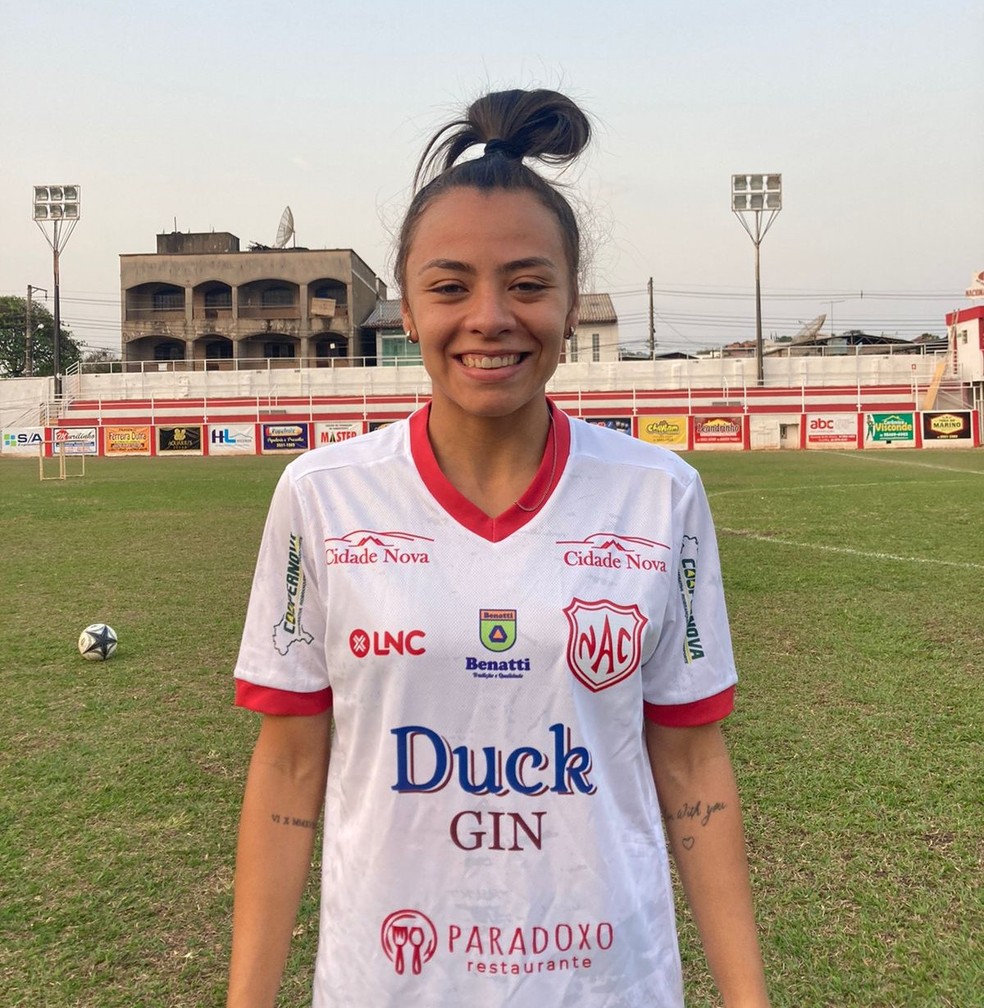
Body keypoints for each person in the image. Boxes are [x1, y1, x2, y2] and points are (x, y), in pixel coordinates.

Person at [228, 88, 770, 1008]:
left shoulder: (658, 494)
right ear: (406, 309)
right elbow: (288, 768)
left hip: (609, 981)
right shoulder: (321, 497)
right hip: (386, 983)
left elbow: (691, 765)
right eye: (451, 286)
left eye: (527, 283)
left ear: (567, 301)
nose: (491, 317)